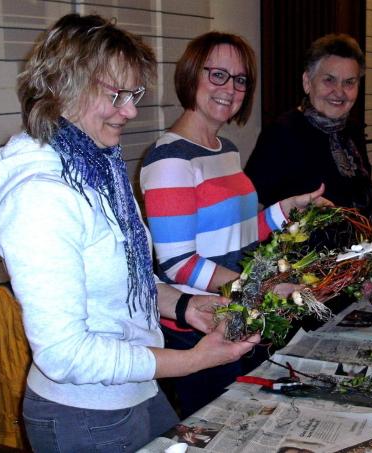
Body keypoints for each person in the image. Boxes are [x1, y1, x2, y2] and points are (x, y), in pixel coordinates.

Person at [0, 15, 258, 452]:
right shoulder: (39, 197)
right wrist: (191, 361)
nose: (130, 110)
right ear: (62, 88)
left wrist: (185, 306)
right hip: (83, 415)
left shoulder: (98, 166)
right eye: (116, 94)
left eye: (134, 94)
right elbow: (65, 354)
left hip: (134, 392)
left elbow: (131, 278)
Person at [140, 31, 330, 418]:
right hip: (199, 327)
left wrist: (286, 208)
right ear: (192, 75)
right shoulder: (169, 159)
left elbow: (240, 233)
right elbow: (178, 264)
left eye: (240, 79)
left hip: (238, 313)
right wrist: (263, 287)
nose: (230, 88)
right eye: (218, 75)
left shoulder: (224, 149)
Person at [245, 33, 372, 223]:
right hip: (302, 250)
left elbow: (357, 196)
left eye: (349, 82)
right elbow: (252, 205)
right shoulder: (281, 132)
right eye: (329, 80)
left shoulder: (351, 131)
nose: (340, 92)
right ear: (307, 82)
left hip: (358, 247)